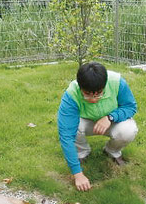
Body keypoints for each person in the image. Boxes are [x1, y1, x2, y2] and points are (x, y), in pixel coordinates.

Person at [57, 62, 138, 191]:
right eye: (88, 94)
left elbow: (130, 107)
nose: (93, 99)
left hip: (110, 121)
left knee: (128, 130)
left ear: (104, 85)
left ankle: (112, 151)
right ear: (80, 87)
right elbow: (66, 135)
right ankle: (82, 152)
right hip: (84, 122)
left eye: (99, 94)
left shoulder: (117, 82)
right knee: (73, 127)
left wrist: (110, 117)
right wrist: (77, 174)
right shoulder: (71, 94)